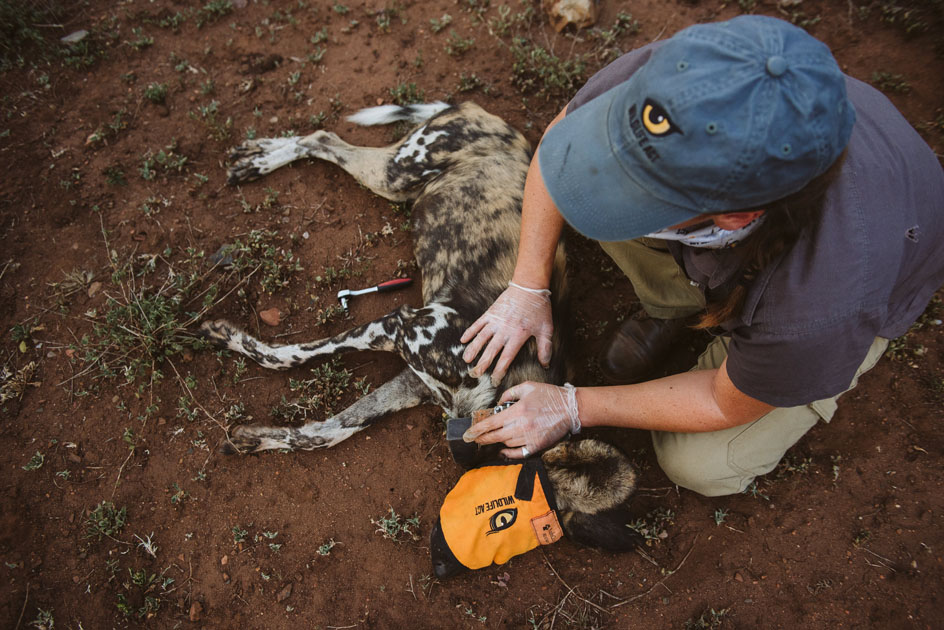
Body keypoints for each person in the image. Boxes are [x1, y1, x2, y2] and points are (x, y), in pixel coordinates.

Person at [459, 15, 944, 497]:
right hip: (747, 227)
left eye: (639, 195)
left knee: (698, 462)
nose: (596, 181)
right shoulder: (689, 82)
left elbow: (725, 402)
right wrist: (526, 286)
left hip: (861, 281)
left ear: (733, 218)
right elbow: (562, 148)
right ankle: (679, 307)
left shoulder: (820, 303)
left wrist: (571, 406)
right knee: (587, 192)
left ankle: (733, 338)